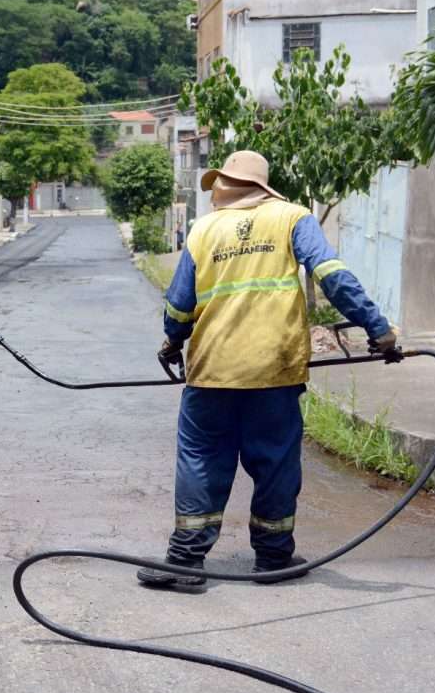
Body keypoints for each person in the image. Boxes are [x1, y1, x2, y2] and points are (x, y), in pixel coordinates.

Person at [137, 150, 396, 588]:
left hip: (212, 372)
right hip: (274, 372)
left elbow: (179, 305)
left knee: (202, 459)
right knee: (275, 461)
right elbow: (333, 276)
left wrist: (171, 342)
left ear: (225, 188)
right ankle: (274, 559)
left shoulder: (203, 231)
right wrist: (379, 330)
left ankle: (185, 560)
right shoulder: (293, 218)